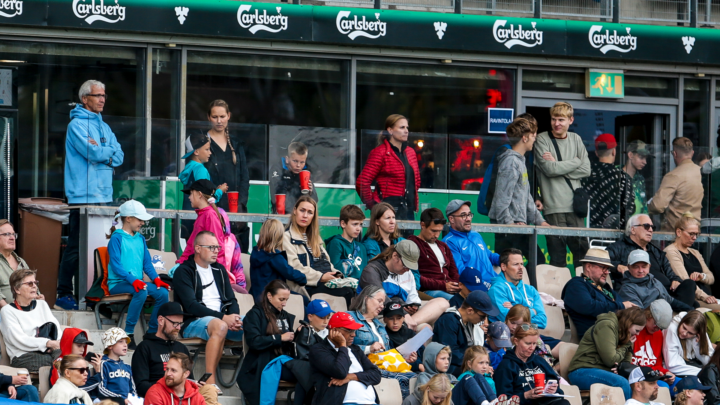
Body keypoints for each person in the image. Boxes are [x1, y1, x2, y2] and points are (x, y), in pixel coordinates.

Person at [58, 79, 124, 311]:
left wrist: (103, 153)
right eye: (97, 95)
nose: (102, 99)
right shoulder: (76, 125)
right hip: (82, 196)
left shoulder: (104, 126)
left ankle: (95, 294)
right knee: (76, 246)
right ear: (84, 99)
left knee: (99, 247)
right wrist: (105, 153)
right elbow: (92, 152)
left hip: (104, 196)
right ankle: (64, 293)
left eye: (104, 95)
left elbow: (120, 156)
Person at [173, 231, 243, 387]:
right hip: (193, 322)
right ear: (198, 248)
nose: (216, 251)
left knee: (256, 322)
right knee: (220, 325)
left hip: (222, 321)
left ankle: (252, 377)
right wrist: (223, 318)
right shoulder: (184, 272)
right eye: (211, 247)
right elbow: (191, 306)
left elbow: (231, 299)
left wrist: (234, 318)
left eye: (217, 247)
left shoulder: (219, 270)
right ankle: (209, 380)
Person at [533, 101, 591, 269]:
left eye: (561, 120)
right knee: (557, 259)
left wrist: (558, 164)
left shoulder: (576, 139)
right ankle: (556, 294)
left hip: (575, 208)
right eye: (553, 119)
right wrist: (575, 162)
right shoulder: (542, 139)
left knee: (582, 257)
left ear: (570, 120)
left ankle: (582, 292)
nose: (556, 123)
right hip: (553, 207)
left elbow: (586, 170)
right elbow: (549, 170)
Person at [106, 200, 170, 348]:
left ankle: (152, 333)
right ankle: (128, 333)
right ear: (128, 218)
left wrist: (157, 280)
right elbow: (116, 266)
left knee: (163, 293)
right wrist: (133, 280)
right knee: (141, 291)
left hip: (136, 283)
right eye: (140, 219)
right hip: (118, 284)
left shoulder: (140, 238)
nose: (142, 223)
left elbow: (147, 264)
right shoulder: (117, 237)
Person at [131, 302, 220, 404]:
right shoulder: (145, 347)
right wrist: (172, 385)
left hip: (185, 396)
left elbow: (189, 378)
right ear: (161, 320)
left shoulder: (181, 348)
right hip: (161, 396)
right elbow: (141, 387)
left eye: (180, 324)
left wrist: (194, 384)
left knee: (209, 389)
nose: (178, 328)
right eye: (175, 323)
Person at [489, 117, 549, 259]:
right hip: (510, 227)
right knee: (529, 262)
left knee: (533, 261)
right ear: (525, 138)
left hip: (517, 225)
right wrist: (510, 224)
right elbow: (501, 199)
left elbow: (526, 197)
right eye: (533, 136)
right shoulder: (511, 162)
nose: (535, 140)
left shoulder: (520, 161)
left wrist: (541, 222)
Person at [359, 240, 448, 330]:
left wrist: (413, 307)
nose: (407, 269)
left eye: (411, 266)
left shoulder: (407, 273)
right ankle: (405, 326)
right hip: (383, 315)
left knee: (442, 303)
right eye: (405, 264)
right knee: (425, 328)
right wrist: (404, 314)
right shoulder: (372, 270)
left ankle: (405, 326)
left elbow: (413, 299)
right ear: (395, 256)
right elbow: (381, 301)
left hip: (404, 314)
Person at [608, 213, 697, 303]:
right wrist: (617, 266)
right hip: (644, 294)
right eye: (646, 226)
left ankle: (683, 312)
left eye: (652, 227)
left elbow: (670, 273)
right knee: (692, 305)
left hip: (666, 292)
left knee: (689, 284)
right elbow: (601, 260)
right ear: (633, 229)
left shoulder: (655, 251)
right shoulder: (619, 247)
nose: (650, 230)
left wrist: (675, 280)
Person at [283, 196, 356, 306]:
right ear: (295, 211)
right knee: (347, 292)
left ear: (313, 216)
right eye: (302, 210)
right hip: (306, 285)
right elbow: (295, 268)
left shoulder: (315, 238)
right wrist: (321, 277)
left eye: (310, 212)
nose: (305, 215)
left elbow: (327, 264)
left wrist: (337, 275)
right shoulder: (286, 237)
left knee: (358, 290)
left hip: (325, 281)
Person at [349, 285, 417, 399]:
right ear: (366, 298)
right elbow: (340, 346)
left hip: (385, 366)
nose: (382, 306)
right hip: (366, 367)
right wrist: (368, 349)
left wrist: (402, 359)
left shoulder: (379, 325)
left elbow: (387, 352)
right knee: (408, 379)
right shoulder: (350, 317)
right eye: (379, 301)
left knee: (420, 378)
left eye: (383, 303)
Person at [237, 280, 296, 405]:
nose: (284, 303)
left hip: (283, 361)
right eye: (281, 299)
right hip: (262, 364)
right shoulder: (254, 314)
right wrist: (280, 338)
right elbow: (254, 342)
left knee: (310, 373)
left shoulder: (285, 316)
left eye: (286, 299)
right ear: (269, 296)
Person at [568, 306, 647, 399]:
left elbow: (625, 363)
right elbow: (610, 360)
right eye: (637, 330)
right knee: (622, 383)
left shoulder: (626, 332)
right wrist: (626, 344)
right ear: (628, 323)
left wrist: (620, 368)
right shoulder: (606, 325)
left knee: (640, 384)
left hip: (603, 370)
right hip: (582, 371)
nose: (637, 334)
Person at [308, 311, 382, 405]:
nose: (353, 334)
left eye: (354, 330)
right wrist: (342, 345)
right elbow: (340, 371)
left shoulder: (355, 349)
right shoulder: (318, 350)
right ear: (334, 331)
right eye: (349, 330)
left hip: (371, 402)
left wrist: (351, 377)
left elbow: (376, 375)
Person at [356, 114, 420, 222]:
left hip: (407, 210)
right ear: (390, 130)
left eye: (407, 127)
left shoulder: (410, 152)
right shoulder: (380, 152)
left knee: (406, 239)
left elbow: (416, 181)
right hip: (386, 210)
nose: (406, 131)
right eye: (402, 127)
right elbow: (362, 182)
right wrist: (374, 206)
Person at [204, 99, 250, 244]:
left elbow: (244, 178)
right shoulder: (202, 143)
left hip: (236, 210)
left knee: (237, 255)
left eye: (222, 116)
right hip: (212, 207)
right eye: (215, 117)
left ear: (229, 116)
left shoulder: (236, 144)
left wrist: (240, 205)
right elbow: (199, 180)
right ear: (208, 117)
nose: (219, 121)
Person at [562, 248, 634, 339]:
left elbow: (620, 305)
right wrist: (621, 306)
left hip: (614, 336)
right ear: (588, 267)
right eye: (603, 267)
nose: (607, 272)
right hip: (595, 339)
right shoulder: (576, 285)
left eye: (608, 269)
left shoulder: (604, 288)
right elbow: (589, 307)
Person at [0, 269, 61, 372]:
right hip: (24, 355)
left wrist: (55, 343)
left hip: (50, 350)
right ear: (17, 290)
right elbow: (19, 339)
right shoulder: (7, 311)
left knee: (71, 356)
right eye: (29, 283)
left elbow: (56, 328)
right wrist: (47, 343)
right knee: (59, 363)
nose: (34, 286)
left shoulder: (42, 305)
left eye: (35, 283)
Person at [494, 323, 569, 405]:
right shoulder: (506, 365)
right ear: (516, 341)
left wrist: (553, 389)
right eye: (528, 343)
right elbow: (503, 399)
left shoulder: (539, 361)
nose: (532, 348)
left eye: (534, 343)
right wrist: (526, 395)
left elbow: (555, 383)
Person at [434, 290, 499, 376]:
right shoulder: (448, 320)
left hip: (468, 364)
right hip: (451, 368)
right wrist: (475, 364)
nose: (484, 320)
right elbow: (450, 352)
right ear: (470, 311)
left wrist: (484, 365)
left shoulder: (473, 323)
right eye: (482, 316)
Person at [665, 213, 720, 309]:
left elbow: (711, 278)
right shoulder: (671, 251)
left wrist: (702, 276)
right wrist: (705, 296)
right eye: (691, 234)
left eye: (696, 234)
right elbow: (685, 280)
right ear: (679, 232)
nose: (694, 238)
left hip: (706, 296)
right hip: (693, 299)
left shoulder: (695, 252)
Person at [648, 137, 703, 231]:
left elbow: (658, 206)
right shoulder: (700, 172)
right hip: (695, 230)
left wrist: (645, 207)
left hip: (674, 232)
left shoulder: (673, 175)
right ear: (692, 153)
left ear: (674, 154)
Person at [582, 133, 635, 229]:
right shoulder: (622, 177)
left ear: (596, 153)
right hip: (614, 235)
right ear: (614, 152)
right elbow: (629, 208)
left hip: (588, 231)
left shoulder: (585, 174)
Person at [286, 299, 333, 405]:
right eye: (322, 317)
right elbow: (304, 356)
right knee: (305, 379)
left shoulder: (330, 332)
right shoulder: (305, 332)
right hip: (311, 369)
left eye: (327, 317)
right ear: (310, 317)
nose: (325, 321)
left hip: (326, 369)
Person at [179, 132, 226, 238]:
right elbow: (205, 199)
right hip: (200, 221)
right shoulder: (200, 170)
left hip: (188, 220)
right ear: (196, 151)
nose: (210, 153)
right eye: (207, 149)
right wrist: (220, 191)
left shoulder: (189, 167)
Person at [249, 218, 306, 303]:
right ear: (279, 237)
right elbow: (289, 272)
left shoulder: (255, 253)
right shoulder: (274, 257)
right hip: (272, 296)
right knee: (304, 300)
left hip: (256, 295)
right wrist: (303, 278)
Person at [617, 249, 694, 312]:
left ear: (649, 266)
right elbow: (639, 316)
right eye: (636, 267)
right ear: (629, 268)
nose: (640, 270)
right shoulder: (627, 289)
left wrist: (691, 310)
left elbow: (670, 300)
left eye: (644, 266)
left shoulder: (654, 281)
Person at [408, 208, 460, 300]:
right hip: (428, 290)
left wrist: (454, 286)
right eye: (434, 231)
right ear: (423, 225)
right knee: (458, 302)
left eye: (440, 231)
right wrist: (443, 285)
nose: (437, 235)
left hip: (448, 290)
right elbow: (413, 276)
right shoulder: (412, 244)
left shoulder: (443, 246)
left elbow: (454, 272)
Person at [444, 199, 498, 287]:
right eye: (463, 215)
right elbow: (461, 272)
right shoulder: (449, 242)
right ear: (451, 219)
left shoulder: (476, 235)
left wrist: (506, 259)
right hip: (478, 286)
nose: (468, 219)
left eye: (469, 215)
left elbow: (489, 256)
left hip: (495, 282)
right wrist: (485, 284)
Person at [175, 179, 227, 269]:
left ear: (199, 194)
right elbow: (191, 245)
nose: (189, 197)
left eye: (191, 193)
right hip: (200, 268)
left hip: (209, 270)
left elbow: (217, 248)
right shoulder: (203, 215)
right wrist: (181, 263)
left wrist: (215, 271)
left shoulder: (209, 215)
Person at [488, 248, 546, 328]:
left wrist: (515, 309)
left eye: (522, 264)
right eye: (516, 264)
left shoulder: (531, 290)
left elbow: (543, 322)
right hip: (507, 336)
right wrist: (532, 311)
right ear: (503, 267)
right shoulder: (496, 290)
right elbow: (508, 320)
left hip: (530, 334)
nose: (521, 267)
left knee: (562, 341)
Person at [631, 300, 679, 392]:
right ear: (648, 315)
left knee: (682, 384)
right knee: (664, 387)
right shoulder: (635, 330)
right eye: (655, 324)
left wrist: (665, 373)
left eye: (660, 327)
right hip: (638, 374)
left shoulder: (658, 334)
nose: (657, 328)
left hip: (653, 375)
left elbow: (657, 364)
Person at [270, 141, 319, 214]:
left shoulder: (305, 172)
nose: (298, 165)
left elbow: (314, 201)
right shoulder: (278, 169)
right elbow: (277, 195)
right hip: (282, 216)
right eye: (295, 161)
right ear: (287, 159)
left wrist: (310, 193)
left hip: (299, 215)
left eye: (302, 162)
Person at [89, 328, 136, 403]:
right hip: (108, 403)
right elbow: (101, 389)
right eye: (120, 342)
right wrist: (120, 399)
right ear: (110, 346)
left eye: (126, 342)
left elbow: (133, 389)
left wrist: (133, 399)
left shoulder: (127, 366)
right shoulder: (102, 364)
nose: (125, 345)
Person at [663, 310, 714, 377]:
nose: (684, 333)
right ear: (682, 321)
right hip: (678, 370)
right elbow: (672, 365)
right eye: (684, 328)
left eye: (690, 333)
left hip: (693, 367)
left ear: (697, 334)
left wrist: (697, 346)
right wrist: (703, 372)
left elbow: (709, 362)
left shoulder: (700, 335)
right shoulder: (672, 328)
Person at [326, 204, 369, 279]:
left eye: (360, 224)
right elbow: (335, 272)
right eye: (355, 224)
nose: (358, 228)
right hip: (343, 286)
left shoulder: (361, 247)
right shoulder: (336, 243)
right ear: (343, 224)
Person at [382, 301, 423, 372]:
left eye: (398, 318)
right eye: (391, 318)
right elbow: (389, 361)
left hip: (416, 367)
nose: (395, 322)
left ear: (403, 318)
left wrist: (416, 359)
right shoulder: (384, 336)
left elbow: (422, 353)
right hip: (398, 370)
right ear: (385, 319)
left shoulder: (410, 333)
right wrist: (415, 364)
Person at [0, 220, 29, 308]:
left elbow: (33, 285)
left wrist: (39, 297)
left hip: (26, 314)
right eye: (7, 234)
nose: (12, 238)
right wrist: (8, 311)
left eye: (13, 234)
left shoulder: (21, 262)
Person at [622, 140, 650, 216]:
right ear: (630, 155)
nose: (645, 162)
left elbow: (644, 206)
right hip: (620, 224)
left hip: (638, 223)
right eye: (641, 157)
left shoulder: (640, 179)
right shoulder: (617, 175)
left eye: (646, 158)